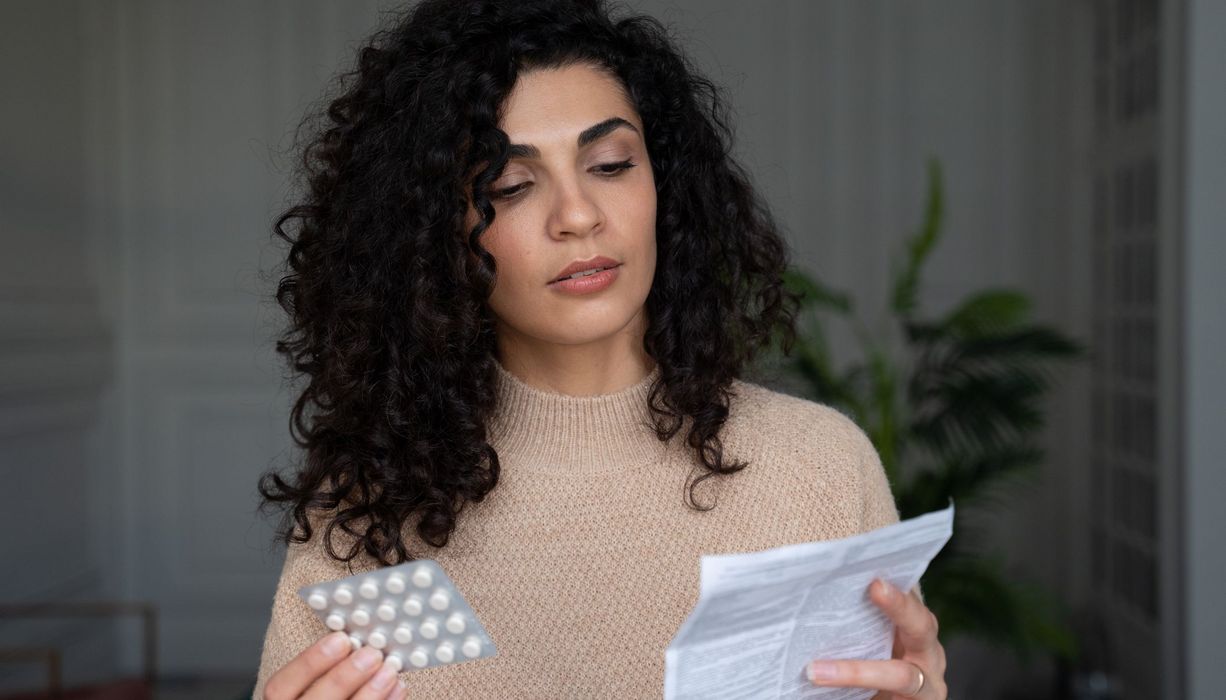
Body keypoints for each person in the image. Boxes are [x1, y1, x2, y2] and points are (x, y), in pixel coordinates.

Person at [252, 0, 948, 698]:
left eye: (611, 165)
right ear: (436, 237)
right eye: (511, 186)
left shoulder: (818, 472)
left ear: (664, 185)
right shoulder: (367, 515)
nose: (578, 215)